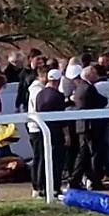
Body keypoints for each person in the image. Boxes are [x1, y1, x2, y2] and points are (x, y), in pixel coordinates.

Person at [68, 65, 109, 192]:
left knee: (83, 154)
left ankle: (75, 180)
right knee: (94, 153)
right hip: (91, 126)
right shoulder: (88, 88)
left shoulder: (79, 89)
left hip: (82, 126)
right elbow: (102, 101)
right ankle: (95, 181)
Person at [34, 68, 69, 199]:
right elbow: (62, 117)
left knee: (43, 158)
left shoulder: (40, 95)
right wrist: (67, 135)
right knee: (56, 160)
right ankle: (55, 186)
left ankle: (41, 186)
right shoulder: (58, 96)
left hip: (42, 130)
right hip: (56, 131)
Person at [25, 63, 49, 199]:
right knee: (39, 157)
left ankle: (40, 185)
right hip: (37, 127)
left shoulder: (37, 89)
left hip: (36, 127)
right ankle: (38, 186)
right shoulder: (37, 90)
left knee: (40, 157)